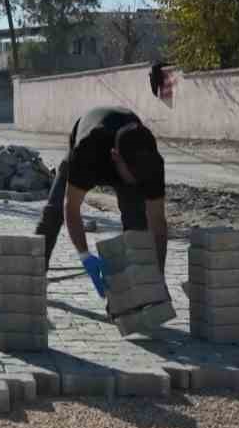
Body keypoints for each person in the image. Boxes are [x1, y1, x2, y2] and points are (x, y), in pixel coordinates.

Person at [36, 106, 169, 296]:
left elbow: (158, 221)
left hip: (126, 137)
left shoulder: (152, 162)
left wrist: (158, 275)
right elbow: (71, 207)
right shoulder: (86, 152)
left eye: (142, 175)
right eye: (133, 174)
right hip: (86, 134)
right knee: (53, 211)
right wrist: (85, 255)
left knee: (136, 221)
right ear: (115, 156)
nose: (137, 180)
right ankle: (35, 275)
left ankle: (133, 291)